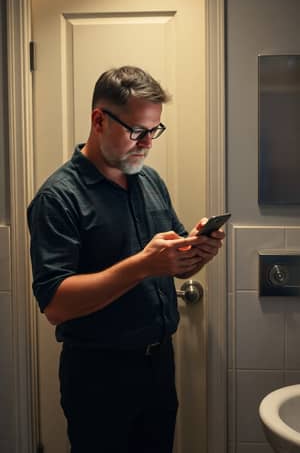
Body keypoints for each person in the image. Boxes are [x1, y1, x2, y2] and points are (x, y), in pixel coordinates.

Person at [27, 66, 225, 453]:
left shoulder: (149, 181)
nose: (148, 142)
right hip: (99, 375)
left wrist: (197, 253)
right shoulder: (58, 198)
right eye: (138, 130)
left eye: (155, 130)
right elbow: (54, 304)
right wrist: (143, 265)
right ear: (98, 120)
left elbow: (172, 262)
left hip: (158, 365)